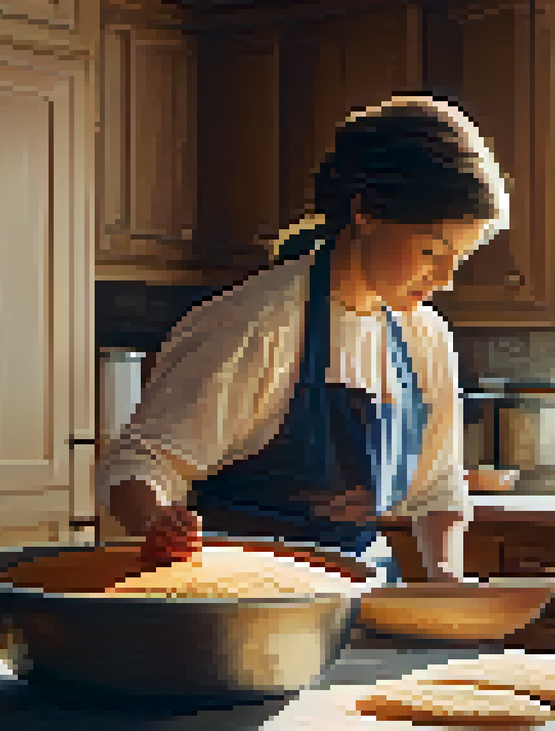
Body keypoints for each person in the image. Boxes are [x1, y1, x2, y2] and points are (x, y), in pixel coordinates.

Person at [96, 94, 509, 583]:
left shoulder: (426, 338)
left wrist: (445, 579)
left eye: (457, 260)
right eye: (430, 251)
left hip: (361, 598)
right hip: (245, 608)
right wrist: (158, 525)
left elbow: (437, 489)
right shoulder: (257, 324)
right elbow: (138, 465)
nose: (444, 279)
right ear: (366, 212)